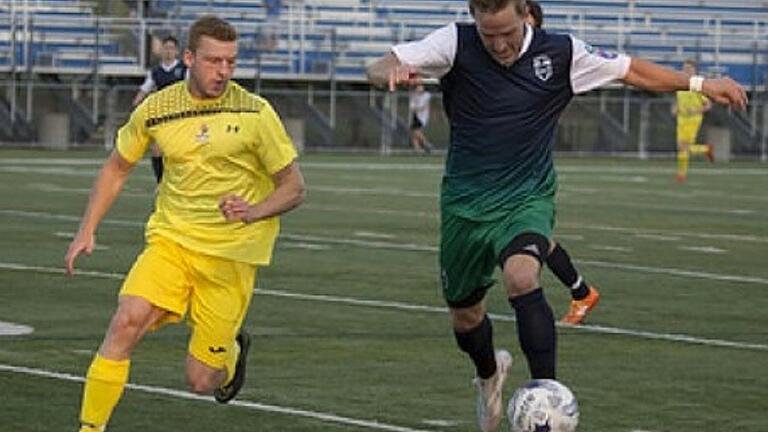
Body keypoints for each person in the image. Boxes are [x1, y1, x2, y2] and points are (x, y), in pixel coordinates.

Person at [366, 0, 747, 430]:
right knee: (465, 317)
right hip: (464, 206)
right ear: (474, 18)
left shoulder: (563, 53)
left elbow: (631, 70)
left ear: (525, 12)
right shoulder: (455, 41)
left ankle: (546, 399)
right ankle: (490, 374)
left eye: (508, 32)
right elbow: (381, 65)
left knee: (522, 276)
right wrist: (389, 74)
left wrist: (699, 83)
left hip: (526, 197)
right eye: (488, 35)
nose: (499, 44)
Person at [65, 16, 305, 432]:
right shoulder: (157, 109)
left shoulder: (256, 112)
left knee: (200, 380)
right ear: (189, 58)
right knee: (125, 321)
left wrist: (254, 209)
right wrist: (87, 228)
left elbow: (294, 187)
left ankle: (228, 355)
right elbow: (117, 167)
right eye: (214, 61)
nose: (224, 71)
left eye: (231, 62)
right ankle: (90, 428)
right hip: (171, 242)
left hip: (230, 257)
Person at [523, 0, 601, 325]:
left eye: (524, 17)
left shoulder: (551, 59)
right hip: (497, 169)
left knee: (525, 240)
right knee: (534, 240)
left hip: (528, 169)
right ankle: (582, 292)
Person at [133, 35, 188, 183]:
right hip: (162, 115)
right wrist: (136, 104)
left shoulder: (184, 70)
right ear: (161, 51)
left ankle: (181, 181)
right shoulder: (155, 72)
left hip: (181, 115)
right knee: (156, 149)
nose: (168, 51)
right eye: (166, 48)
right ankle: (161, 182)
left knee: (179, 151)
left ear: (177, 51)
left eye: (171, 48)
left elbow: (192, 89)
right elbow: (145, 89)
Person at [673, 59, 714, 183]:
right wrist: (675, 108)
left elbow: (708, 105)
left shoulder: (697, 86)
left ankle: (681, 174)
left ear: (695, 70)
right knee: (681, 147)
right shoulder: (679, 84)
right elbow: (679, 101)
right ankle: (705, 149)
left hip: (693, 120)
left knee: (683, 147)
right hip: (681, 119)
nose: (686, 71)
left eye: (689, 68)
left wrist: (695, 110)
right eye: (684, 68)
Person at [409, 84, 434, 154]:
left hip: (422, 117)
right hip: (415, 116)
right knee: (414, 134)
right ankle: (417, 150)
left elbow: (423, 107)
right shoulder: (414, 96)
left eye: (421, 87)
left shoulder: (426, 95)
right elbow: (413, 108)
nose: (419, 89)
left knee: (416, 131)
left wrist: (418, 108)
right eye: (418, 88)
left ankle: (426, 143)